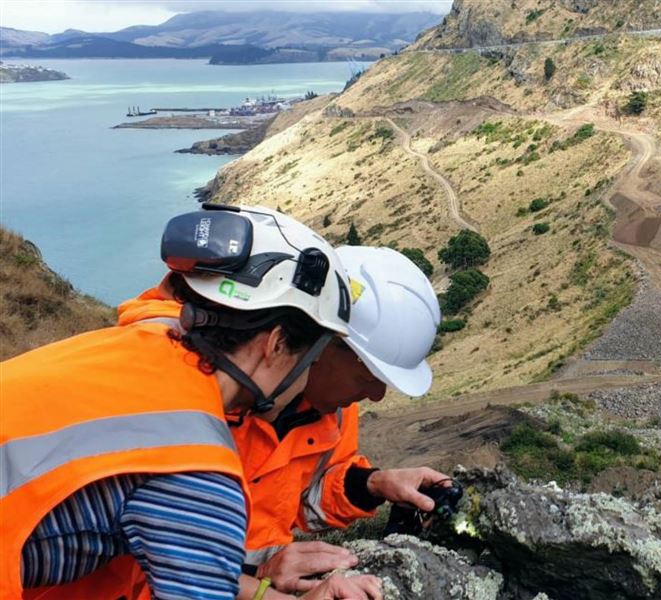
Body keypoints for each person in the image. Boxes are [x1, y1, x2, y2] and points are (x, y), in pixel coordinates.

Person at [1, 205, 364, 599]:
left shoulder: (138, 341)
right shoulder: (194, 462)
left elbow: (195, 564)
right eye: (311, 361)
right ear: (275, 346)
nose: (308, 380)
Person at [113, 245, 447, 599]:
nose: (377, 394)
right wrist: (257, 577)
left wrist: (374, 484)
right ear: (322, 343)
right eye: (369, 374)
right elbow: (148, 553)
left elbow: (307, 494)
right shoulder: (192, 400)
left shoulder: (332, 409)